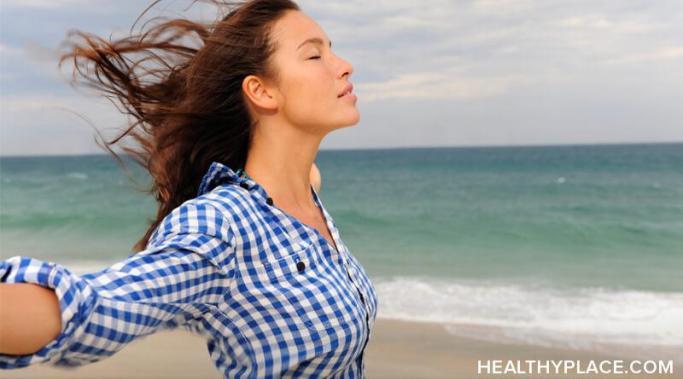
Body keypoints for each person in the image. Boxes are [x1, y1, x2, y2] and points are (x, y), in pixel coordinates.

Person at [0, 0, 378, 377]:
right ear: (261, 91)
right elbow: (100, 307)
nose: (344, 65)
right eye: (314, 55)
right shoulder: (223, 225)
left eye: (331, 49)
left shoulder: (301, 192)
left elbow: (299, 174)